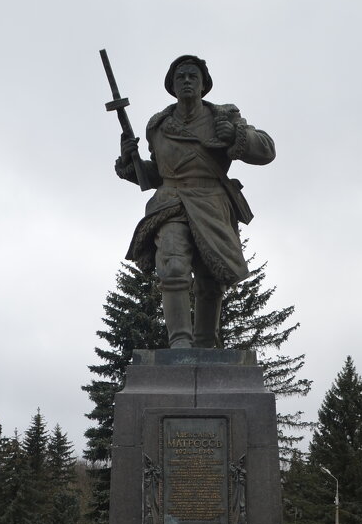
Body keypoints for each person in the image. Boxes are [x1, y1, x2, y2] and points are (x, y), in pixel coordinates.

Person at [116, 54, 275, 349]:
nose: (187, 81)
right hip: (171, 201)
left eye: (193, 76)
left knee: (210, 278)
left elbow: (266, 150)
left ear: (203, 85)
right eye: (181, 77)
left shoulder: (223, 117)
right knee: (172, 266)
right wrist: (130, 162)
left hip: (212, 203)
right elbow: (157, 174)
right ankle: (179, 343)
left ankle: (204, 345)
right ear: (172, 87)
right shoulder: (159, 126)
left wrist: (236, 138)